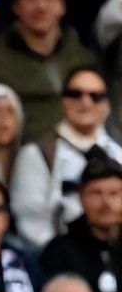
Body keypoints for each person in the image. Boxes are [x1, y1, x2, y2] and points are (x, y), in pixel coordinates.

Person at [0, 0, 95, 144]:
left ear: (61, 6)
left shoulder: (82, 57)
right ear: (16, 6)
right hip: (23, 156)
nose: (40, 6)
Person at [10, 68, 122, 247]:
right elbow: (32, 225)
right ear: (62, 101)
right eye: (75, 94)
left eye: (95, 96)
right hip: (61, 264)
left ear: (107, 104)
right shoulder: (36, 154)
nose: (85, 103)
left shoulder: (118, 154)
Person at [44, 161, 122, 292]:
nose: (106, 203)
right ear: (81, 197)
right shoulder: (59, 251)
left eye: (114, 193)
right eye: (96, 193)